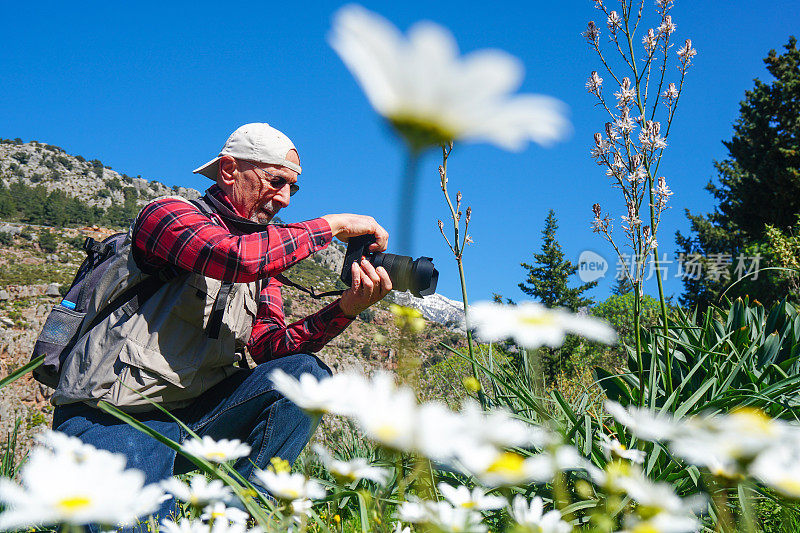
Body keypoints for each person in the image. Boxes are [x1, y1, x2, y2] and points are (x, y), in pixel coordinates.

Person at [50, 123, 393, 524]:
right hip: (112, 415)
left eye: (292, 189)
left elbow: (271, 350)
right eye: (277, 182)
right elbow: (233, 256)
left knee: (305, 373)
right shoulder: (166, 215)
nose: (284, 199)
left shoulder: (263, 264)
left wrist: (346, 309)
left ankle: (244, 517)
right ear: (229, 171)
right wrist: (331, 226)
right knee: (146, 527)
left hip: (193, 417)